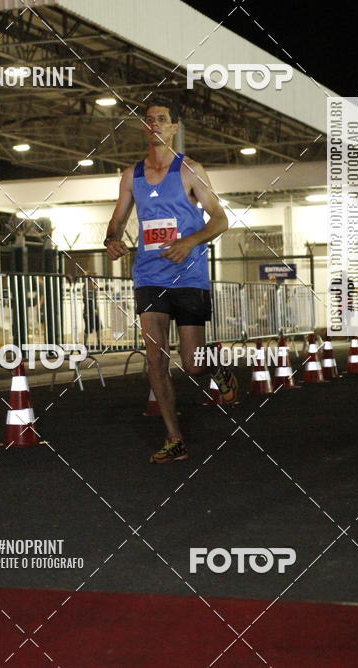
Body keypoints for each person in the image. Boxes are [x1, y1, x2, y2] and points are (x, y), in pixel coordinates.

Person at [104, 102, 235, 464]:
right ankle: (174, 437)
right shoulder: (133, 175)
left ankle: (217, 369)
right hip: (148, 276)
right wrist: (112, 239)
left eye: (161, 119)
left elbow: (221, 219)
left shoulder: (190, 170)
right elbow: (117, 218)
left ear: (174, 127)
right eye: (148, 120)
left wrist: (189, 241)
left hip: (189, 275)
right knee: (155, 359)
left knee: (193, 364)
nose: (154, 124)